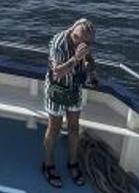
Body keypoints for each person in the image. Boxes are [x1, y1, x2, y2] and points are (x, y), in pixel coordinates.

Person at [41, 18, 97, 188]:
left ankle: (73, 163)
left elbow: (90, 61)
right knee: (54, 128)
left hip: (74, 89)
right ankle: (48, 164)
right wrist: (76, 58)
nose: (81, 43)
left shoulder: (84, 41)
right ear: (71, 31)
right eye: (76, 38)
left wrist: (92, 72)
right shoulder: (59, 42)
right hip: (56, 89)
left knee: (74, 128)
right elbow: (57, 72)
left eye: (87, 41)